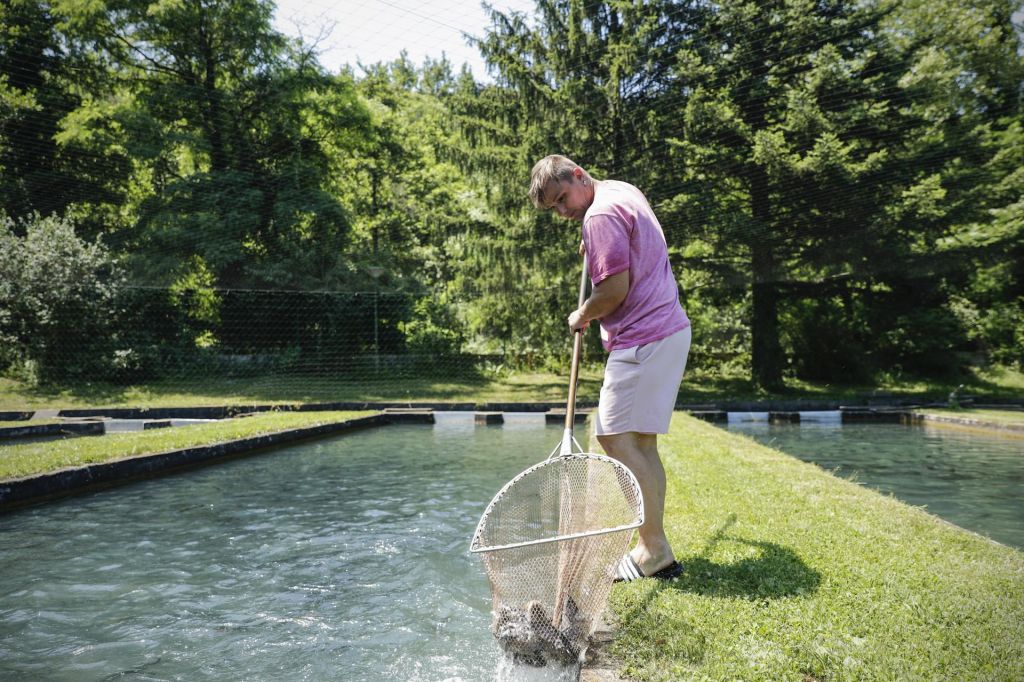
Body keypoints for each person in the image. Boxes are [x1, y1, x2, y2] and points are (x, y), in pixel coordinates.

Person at [528, 154, 692, 582]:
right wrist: (597, 245)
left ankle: (654, 549)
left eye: (563, 199)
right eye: (555, 208)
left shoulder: (598, 216)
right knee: (641, 443)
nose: (563, 212)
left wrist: (582, 314)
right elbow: (630, 242)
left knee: (613, 438)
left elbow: (613, 291)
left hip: (642, 339)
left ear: (579, 175)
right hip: (669, 330)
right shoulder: (620, 191)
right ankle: (653, 545)